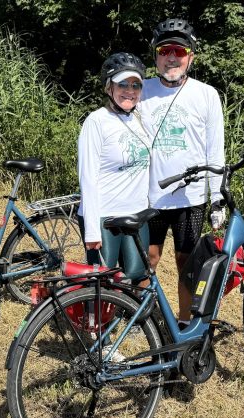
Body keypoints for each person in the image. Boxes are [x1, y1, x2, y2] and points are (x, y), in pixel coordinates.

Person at [141, 18, 225, 326]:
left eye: (179, 51)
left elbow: (215, 151)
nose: (172, 57)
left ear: (191, 56)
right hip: (149, 195)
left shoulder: (207, 95)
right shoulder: (140, 90)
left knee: (187, 263)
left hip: (190, 198)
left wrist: (217, 199)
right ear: (156, 55)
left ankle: (185, 322)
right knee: (147, 259)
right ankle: (142, 321)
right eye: (165, 51)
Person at [77, 52, 153, 282]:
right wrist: (92, 229)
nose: (130, 90)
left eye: (136, 85)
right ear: (109, 87)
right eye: (123, 84)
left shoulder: (141, 119)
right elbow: (87, 177)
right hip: (105, 216)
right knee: (102, 283)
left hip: (136, 213)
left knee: (136, 275)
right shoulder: (96, 122)